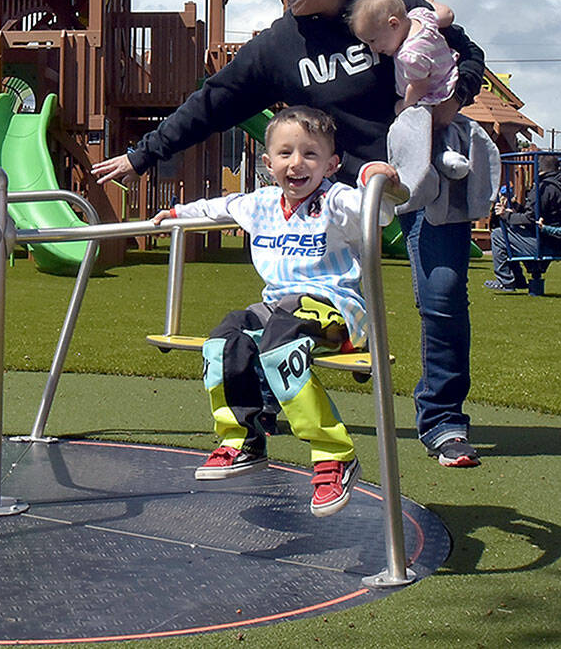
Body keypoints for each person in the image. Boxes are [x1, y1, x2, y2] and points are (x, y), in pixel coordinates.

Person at [93, 0, 488, 468]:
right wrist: (141, 156)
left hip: (423, 171)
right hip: (349, 189)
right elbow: (213, 102)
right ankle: (268, 400)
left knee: (443, 293)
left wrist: (455, 98)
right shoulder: (280, 47)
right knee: (293, 296)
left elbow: (462, 50)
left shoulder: (387, 4)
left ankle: (443, 421)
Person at [152, 107, 398, 515]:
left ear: (331, 164)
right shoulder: (261, 203)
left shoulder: (335, 201)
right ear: (268, 163)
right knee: (224, 338)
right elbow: (220, 207)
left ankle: (334, 454)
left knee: (280, 342)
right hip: (278, 308)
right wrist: (177, 213)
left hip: (333, 307)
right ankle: (243, 439)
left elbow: (379, 213)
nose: (296, 164)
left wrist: (379, 182)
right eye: (285, 153)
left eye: (310, 154)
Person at [348, 0, 472, 185]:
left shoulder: (410, 55)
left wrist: (404, 106)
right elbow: (447, 14)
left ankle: (441, 158)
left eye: (372, 41)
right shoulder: (420, 17)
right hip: (448, 73)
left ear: (394, 24)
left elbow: (419, 87)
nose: (372, 49)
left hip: (432, 92)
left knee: (416, 128)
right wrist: (429, 1)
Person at [485, 154, 561, 291]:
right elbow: (536, 214)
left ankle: (506, 280)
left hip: (544, 243)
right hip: (558, 242)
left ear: (539, 169)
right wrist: (514, 208)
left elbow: (530, 219)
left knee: (498, 235)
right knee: (510, 231)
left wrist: (505, 214)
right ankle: (517, 280)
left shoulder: (543, 188)